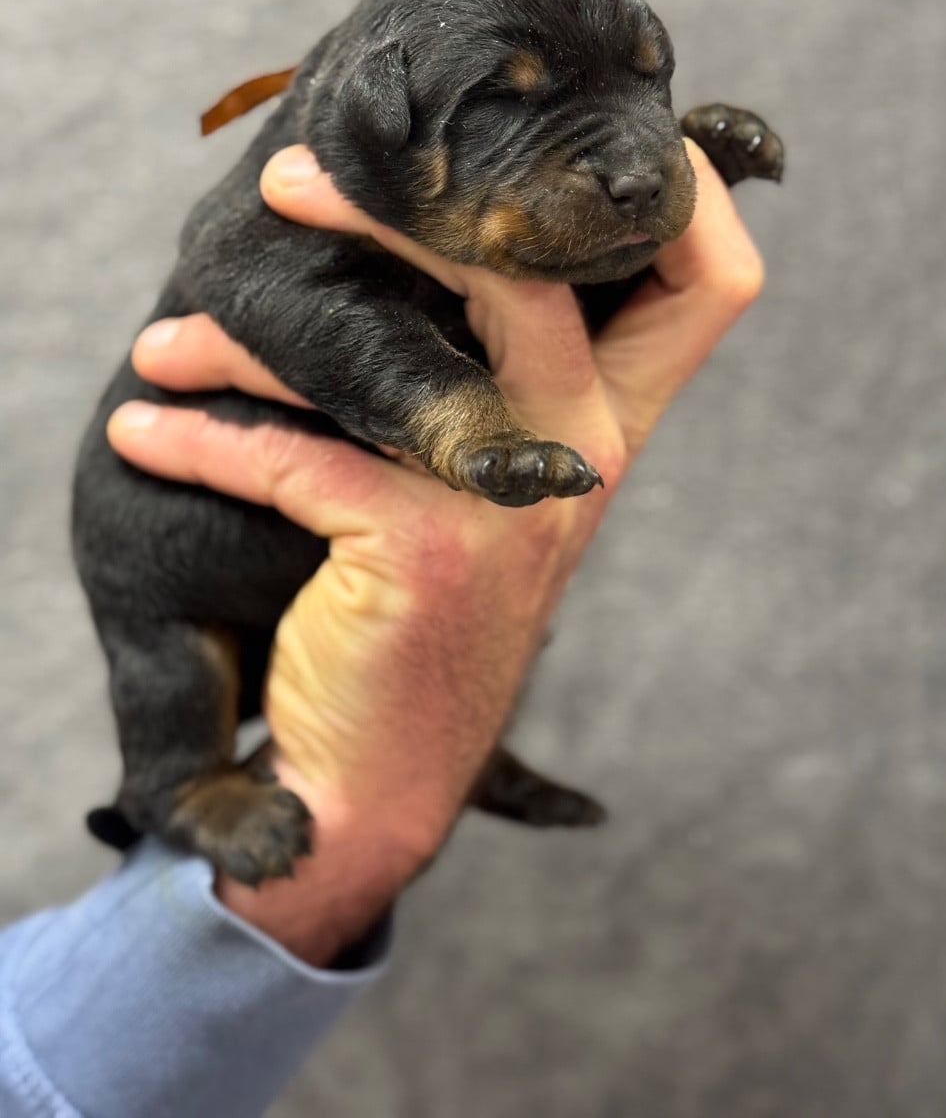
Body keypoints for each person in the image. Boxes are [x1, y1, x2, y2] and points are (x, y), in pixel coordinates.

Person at [0, 141, 764, 1118]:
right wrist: (358, 813)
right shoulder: (290, 216)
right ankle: (182, 781)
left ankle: (453, 742)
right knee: (173, 660)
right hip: (183, 561)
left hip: (327, 548)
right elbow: (320, 316)